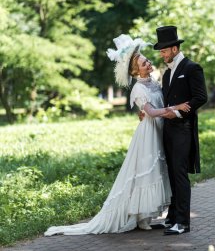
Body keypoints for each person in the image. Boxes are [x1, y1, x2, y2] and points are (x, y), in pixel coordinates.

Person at [44, 35, 190, 236]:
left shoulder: (154, 82)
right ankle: (140, 218)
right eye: (143, 62)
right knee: (145, 171)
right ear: (134, 70)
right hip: (148, 133)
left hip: (159, 130)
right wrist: (177, 107)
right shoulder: (138, 89)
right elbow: (154, 112)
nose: (148, 62)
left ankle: (145, 218)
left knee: (156, 170)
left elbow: (159, 104)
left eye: (147, 60)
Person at [153, 26, 208, 235]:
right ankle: (172, 218)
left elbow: (201, 97)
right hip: (167, 130)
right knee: (171, 174)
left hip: (183, 128)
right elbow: (164, 100)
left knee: (180, 174)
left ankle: (183, 223)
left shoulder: (192, 68)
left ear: (174, 49)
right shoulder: (166, 75)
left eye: (164, 51)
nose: (162, 55)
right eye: (160, 52)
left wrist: (177, 114)